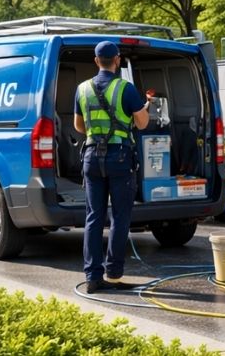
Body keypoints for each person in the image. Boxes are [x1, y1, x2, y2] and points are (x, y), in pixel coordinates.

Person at [74, 41, 152, 294]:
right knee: (119, 217)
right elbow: (142, 124)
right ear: (117, 60)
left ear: (97, 61)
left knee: (94, 217)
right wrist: (142, 110)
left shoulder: (82, 89)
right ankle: (114, 274)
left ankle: (92, 278)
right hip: (119, 157)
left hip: (91, 156)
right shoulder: (125, 88)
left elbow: (79, 126)